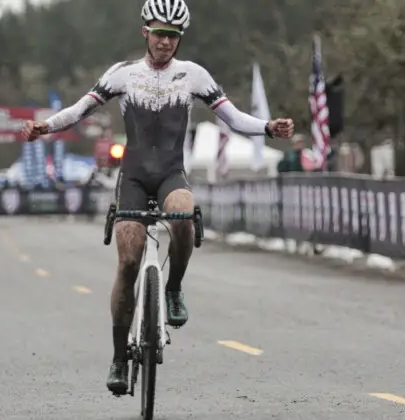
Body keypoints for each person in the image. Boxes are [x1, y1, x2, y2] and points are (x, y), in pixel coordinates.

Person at [19, 0, 294, 397]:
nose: (166, 43)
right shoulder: (123, 75)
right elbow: (79, 111)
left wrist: (269, 127)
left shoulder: (193, 76)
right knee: (128, 260)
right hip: (133, 177)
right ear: (145, 31)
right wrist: (44, 128)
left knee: (183, 214)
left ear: (180, 39)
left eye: (173, 37)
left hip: (170, 174)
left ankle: (174, 287)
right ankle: (118, 356)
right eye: (160, 34)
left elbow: (232, 117)